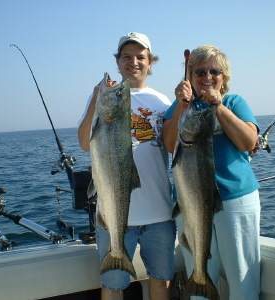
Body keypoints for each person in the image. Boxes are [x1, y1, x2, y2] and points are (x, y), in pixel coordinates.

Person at [78, 32, 176, 300]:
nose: (133, 62)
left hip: (159, 212)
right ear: (118, 61)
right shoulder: (102, 97)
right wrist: (96, 102)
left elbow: (174, 145)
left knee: (161, 279)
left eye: (140, 57)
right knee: (112, 284)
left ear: (150, 63)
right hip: (112, 214)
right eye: (127, 57)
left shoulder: (162, 102)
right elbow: (85, 143)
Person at [163, 45, 261, 300]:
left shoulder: (234, 102)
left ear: (224, 77)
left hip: (234, 199)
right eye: (199, 71)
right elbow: (170, 143)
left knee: (243, 277)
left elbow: (249, 142)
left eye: (214, 70)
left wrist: (218, 104)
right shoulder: (180, 105)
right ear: (190, 76)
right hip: (190, 199)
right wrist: (181, 106)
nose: (207, 76)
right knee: (200, 267)